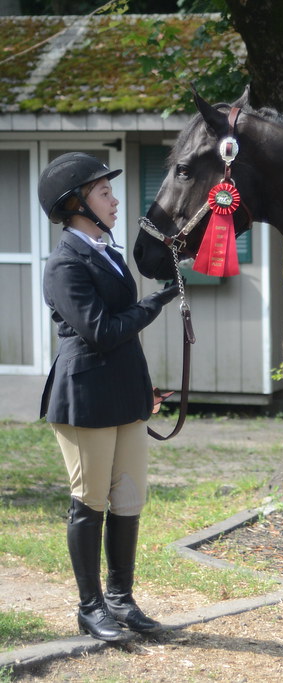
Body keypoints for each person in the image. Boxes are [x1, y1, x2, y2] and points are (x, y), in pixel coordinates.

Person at [37, 152, 179, 642]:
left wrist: (144, 389)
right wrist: (154, 304)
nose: (115, 200)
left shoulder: (109, 255)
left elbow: (121, 337)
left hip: (123, 394)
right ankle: (90, 606)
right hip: (84, 397)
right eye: (103, 192)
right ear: (76, 204)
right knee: (90, 502)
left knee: (128, 499)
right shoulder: (63, 264)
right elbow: (100, 331)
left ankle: (121, 598)